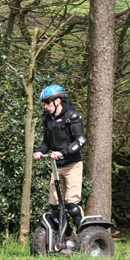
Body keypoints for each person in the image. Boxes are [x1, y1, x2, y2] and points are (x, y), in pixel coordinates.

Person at [33, 84, 87, 230]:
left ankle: (83, 234)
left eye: (47, 102)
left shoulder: (72, 117)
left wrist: (63, 152)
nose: (45, 106)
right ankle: (67, 235)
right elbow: (47, 142)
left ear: (57, 101)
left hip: (72, 165)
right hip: (57, 166)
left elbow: (81, 141)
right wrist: (39, 151)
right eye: (44, 103)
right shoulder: (48, 120)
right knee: (55, 205)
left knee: (71, 204)